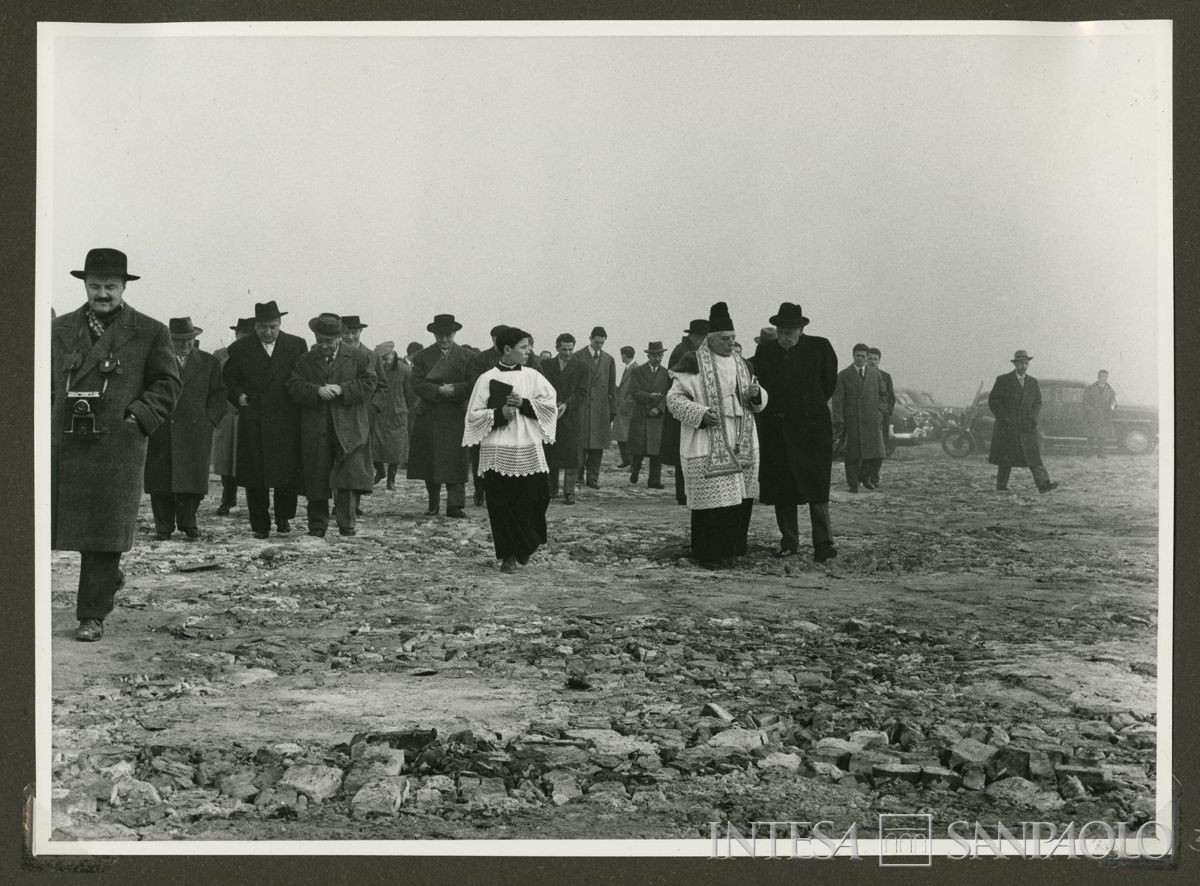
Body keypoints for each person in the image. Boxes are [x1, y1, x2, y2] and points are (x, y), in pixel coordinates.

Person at [51, 248, 181, 641]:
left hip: (116, 450)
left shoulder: (150, 330)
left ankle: (92, 615)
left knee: (103, 533)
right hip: (65, 445)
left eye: (110, 286)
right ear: (85, 286)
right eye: (95, 286)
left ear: (124, 287)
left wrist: (137, 418)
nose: (102, 293)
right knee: (47, 526)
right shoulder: (59, 328)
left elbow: (169, 384)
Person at [666, 302, 767, 569]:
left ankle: (733, 550)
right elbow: (674, 400)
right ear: (710, 340)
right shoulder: (693, 363)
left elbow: (758, 396)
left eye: (733, 338)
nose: (730, 343)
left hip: (740, 438)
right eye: (725, 339)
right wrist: (699, 413)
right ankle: (708, 553)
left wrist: (759, 396)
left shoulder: (743, 364)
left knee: (738, 499)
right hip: (707, 438)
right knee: (713, 503)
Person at [462, 326, 558, 573]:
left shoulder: (533, 376)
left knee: (537, 496)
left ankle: (526, 542)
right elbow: (473, 416)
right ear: (507, 350)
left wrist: (525, 404)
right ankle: (508, 555)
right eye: (523, 347)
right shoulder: (486, 379)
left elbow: (550, 405)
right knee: (501, 504)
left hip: (527, 445)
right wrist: (498, 414)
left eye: (529, 347)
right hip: (498, 447)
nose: (528, 352)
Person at [753, 302, 839, 563]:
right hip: (777, 430)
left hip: (812, 431)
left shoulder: (820, 348)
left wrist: (807, 409)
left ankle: (823, 544)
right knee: (782, 488)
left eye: (789, 330)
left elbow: (828, 384)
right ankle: (789, 541)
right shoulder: (766, 351)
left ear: (801, 329)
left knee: (817, 488)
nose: (784, 336)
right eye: (780, 330)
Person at [222, 300, 308, 538]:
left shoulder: (296, 344)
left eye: (272, 326)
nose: (267, 332)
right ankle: (260, 524)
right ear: (255, 326)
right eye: (262, 327)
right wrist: (238, 395)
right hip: (254, 417)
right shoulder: (240, 348)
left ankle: (283, 518)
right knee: (255, 476)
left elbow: (304, 375)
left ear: (280, 324)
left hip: (286, 418)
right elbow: (228, 379)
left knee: (286, 473)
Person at [288, 313, 379, 537]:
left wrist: (342, 389)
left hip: (349, 426)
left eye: (329, 341)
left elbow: (370, 383)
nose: (324, 345)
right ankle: (317, 525)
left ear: (339, 337)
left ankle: (347, 524)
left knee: (348, 475)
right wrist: (316, 390)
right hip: (316, 426)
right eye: (320, 340)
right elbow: (293, 386)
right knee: (316, 474)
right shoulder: (305, 360)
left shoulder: (359, 357)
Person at [143, 317, 227, 541]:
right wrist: (150, 419)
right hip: (161, 430)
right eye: (180, 340)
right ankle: (164, 527)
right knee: (161, 482)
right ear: (169, 340)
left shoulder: (208, 363)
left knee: (192, 482)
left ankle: (189, 523)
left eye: (190, 339)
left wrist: (210, 420)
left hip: (195, 431)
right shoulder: (155, 361)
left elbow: (219, 394)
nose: (186, 344)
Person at [408, 314, 474, 517]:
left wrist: (455, 389)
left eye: (448, 335)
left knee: (457, 460)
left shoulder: (467, 356)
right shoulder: (421, 356)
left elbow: (474, 383)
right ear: (434, 334)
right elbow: (416, 383)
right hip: (431, 414)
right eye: (440, 335)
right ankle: (433, 503)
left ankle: (455, 505)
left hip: (456, 414)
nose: (444, 339)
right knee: (431, 460)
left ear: (454, 333)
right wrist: (438, 391)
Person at [988, 350, 1058, 492]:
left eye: (1026, 363)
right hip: (1008, 426)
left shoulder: (1032, 382)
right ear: (1015, 364)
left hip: (1027, 426)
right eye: (1021, 363)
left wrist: (1032, 418)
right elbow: (994, 401)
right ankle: (1001, 486)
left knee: (1033, 456)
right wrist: (1004, 418)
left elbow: (1037, 402)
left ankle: (1043, 484)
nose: (1024, 366)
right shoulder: (1003, 380)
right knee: (1005, 458)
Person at [663, 318, 710, 505]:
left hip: (684, 410)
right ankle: (683, 493)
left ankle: (684, 492)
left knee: (684, 451)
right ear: (699, 337)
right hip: (683, 409)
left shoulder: (683, 349)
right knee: (683, 451)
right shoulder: (685, 352)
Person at [831, 343, 889, 492]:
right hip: (852, 419)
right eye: (857, 355)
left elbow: (884, 394)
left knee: (875, 453)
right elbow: (838, 400)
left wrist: (880, 410)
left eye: (863, 356)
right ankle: (853, 483)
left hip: (871, 418)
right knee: (853, 454)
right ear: (853, 356)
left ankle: (865, 477)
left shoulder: (875, 374)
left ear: (866, 357)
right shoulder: (843, 375)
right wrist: (839, 419)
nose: (860, 358)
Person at [211, 317, 254, 514]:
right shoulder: (220, 354)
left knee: (249, 458)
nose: (244, 338)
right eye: (241, 334)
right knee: (226, 459)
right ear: (236, 335)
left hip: (249, 411)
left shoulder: (257, 355)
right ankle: (227, 499)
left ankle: (254, 502)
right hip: (227, 413)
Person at [540, 333, 589, 504]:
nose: (567, 353)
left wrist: (566, 404)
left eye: (570, 349)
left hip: (571, 416)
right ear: (556, 348)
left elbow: (583, 392)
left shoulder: (582, 367)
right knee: (551, 453)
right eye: (564, 349)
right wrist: (551, 405)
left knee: (571, 455)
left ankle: (569, 491)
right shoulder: (545, 365)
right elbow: (540, 389)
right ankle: (551, 489)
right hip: (549, 415)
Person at [468, 325, 510, 506]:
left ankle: (501, 491)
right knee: (480, 454)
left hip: (509, 414)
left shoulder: (517, 356)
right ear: (492, 339)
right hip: (486, 413)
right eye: (496, 339)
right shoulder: (481, 358)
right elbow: (474, 382)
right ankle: (479, 488)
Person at [573, 326, 617, 489]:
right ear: (590, 339)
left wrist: (613, 409)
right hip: (583, 406)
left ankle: (593, 479)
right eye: (596, 342)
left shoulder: (609, 359)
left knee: (598, 446)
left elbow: (612, 386)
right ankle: (578, 476)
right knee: (581, 444)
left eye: (602, 343)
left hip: (600, 409)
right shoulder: (578, 355)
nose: (599, 345)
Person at [626, 341, 671, 488]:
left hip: (657, 417)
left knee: (656, 451)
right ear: (648, 356)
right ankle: (635, 471)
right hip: (641, 414)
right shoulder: (638, 371)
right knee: (639, 449)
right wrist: (649, 396)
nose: (657, 358)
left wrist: (659, 408)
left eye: (660, 355)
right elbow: (634, 391)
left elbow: (668, 395)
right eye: (654, 355)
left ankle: (654, 480)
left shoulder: (666, 373)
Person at [371, 341, 411, 488]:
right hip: (379, 413)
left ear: (393, 354)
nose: (383, 361)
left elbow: (411, 395)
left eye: (385, 357)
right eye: (380, 358)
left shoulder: (404, 370)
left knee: (396, 447)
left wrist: (403, 407)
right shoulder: (374, 369)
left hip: (397, 414)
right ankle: (380, 471)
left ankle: (391, 479)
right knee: (375, 445)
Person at [866, 346, 897, 480]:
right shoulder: (861, 375)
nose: (872, 361)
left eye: (875, 359)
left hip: (881, 418)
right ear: (866, 359)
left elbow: (891, 397)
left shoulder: (885, 376)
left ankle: (874, 475)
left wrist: (886, 411)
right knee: (865, 447)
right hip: (865, 417)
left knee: (880, 447)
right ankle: (863, 475)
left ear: (879, 361)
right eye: (870, 358)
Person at [613, 345, 638, 468]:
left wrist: (625, 405)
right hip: (623, 407)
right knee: (621, 436)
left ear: (624, 355)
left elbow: (634, 390)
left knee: (627, 437)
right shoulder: (629, 368)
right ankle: (626, 460)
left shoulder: (635, 369)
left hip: (628, 409)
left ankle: (631, 462)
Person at [1083, 369, 1117, 457]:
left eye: (1105, 376)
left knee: (1102, 436)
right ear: (1098, 377)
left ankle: (1101, 453)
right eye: (1101, 376)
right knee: (1091, 435)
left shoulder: (1110, 390)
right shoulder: (1090, 388)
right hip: (1092, 416)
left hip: (1104, 416)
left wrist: (1112, 408)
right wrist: (1091, 411)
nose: (1103, 378)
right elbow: (1085, 402)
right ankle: (1089, 453)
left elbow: (1113, 402)